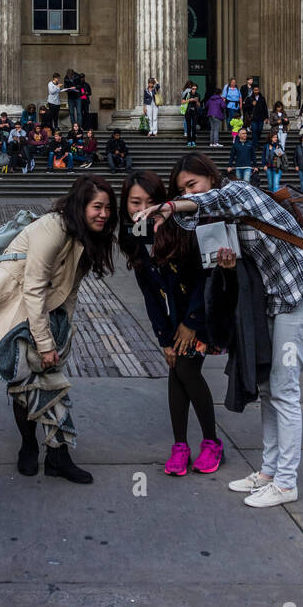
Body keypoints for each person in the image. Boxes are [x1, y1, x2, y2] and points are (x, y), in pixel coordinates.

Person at [135, 152, 303, 508]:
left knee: (285, 388)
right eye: (181, 189)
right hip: (274, 299)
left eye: (192, 184)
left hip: (300, 289)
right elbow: (204, 251)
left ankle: (287, 482)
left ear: (210, 177)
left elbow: (215, 199)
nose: (188, 192)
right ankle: (269, 472)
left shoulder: (239, 191)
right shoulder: (211, 218)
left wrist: (171, 205)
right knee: (271, 387)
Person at [0, 176, 117, 484]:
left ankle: (56, 455)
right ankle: (33, 446)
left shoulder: (86, 235)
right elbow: (34, 287)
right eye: (97, 206)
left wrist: (62, 334)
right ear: (81, 205)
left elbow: (70, 289)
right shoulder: (52, 227)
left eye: (108, 207)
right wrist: (44, 344)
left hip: (44, 310)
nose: (104, 214)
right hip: (14, 306)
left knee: (47, 380)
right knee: (26, 383)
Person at [119, 169, 224, 476]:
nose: (142, 209)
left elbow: (204, 277)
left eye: (149, 201)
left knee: (187, 370)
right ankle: (181, 446)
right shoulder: (134, 235)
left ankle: (211, 443)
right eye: (134, 202)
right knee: (177, 368)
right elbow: (150, 293)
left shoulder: (180, 225)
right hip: (177, 317)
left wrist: (190, 323)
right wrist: (164, 338)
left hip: (202, 309)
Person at [249, 84, 269, 155]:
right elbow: (246, 107)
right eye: (255, 90)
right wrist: (252, 104)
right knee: (254, 130)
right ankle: (255, 146)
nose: (256, 91)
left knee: (259, 130)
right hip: (253, 118)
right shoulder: (250, 98)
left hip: (261, 117)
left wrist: (266, 117)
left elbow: (265, 108)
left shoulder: (262, 98)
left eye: (257, 90)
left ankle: (255, 141)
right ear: (253, 91)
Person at [184, 83, 201, 148]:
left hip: (195, 112)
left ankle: (193, 141)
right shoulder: (187, 94)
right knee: (188, 126)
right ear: (191, 88)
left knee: (194, 126)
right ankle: (189, 141)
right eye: (193, 89)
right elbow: (182, 101)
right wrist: (189, 100)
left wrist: (196, 101)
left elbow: (199, 105)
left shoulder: (198, 95)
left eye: (195, 89)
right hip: (188, 111)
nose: (194, 90)